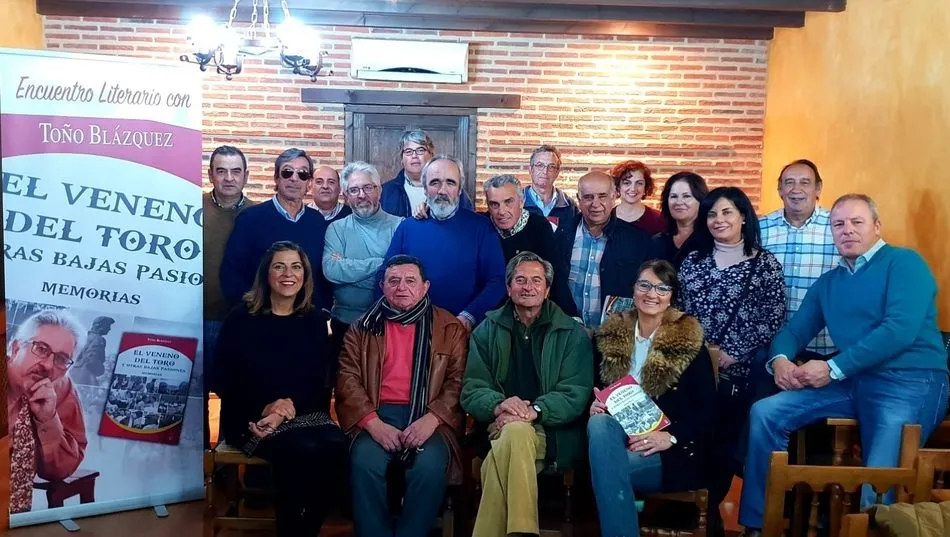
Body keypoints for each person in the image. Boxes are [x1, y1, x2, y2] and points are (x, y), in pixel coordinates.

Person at [736, 194, 950, 537]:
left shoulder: (905, 263)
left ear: (877, 227)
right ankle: (759, 525)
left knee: (879, 478)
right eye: (838, 224)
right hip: (853, 379)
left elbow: (899, 330)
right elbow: (793, 331)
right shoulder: (829, 282)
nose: (846, 230)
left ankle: (870, 530)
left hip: (911, 381)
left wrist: (833, 368)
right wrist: (780, 361)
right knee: (765, 412)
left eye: (857, 222)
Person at [215, 241, 347, 536]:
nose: (289, 274)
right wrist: (267, 409)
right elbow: (223, 378)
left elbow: (317, 382)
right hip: (250, 415)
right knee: (302, 449)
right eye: (280, 266)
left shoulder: (316, 321)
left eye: (296, 267)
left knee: (337, 447)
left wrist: (285, 409)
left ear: (305, 275)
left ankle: (305, 529)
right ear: (266, 274)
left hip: (305, 411)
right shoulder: (241, 318)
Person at [677, 186, 786, 531]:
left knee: (726, 446)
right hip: (693, 371)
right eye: (711, 214)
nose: (718, 220)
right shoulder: (693, 261)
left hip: (739, 376)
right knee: (694, 439)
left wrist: (733, 353)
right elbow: (677, 313)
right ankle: (694, 511)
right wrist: (697, 353)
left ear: (743, 217)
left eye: (727, 212)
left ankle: (711, 514)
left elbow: (774, 317)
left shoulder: (764, 264)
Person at [461, 252, 593, 537]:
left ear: (547, 290)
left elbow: (576, 393)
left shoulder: (571, 333)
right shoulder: (486, 331)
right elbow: (472, 388)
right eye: (520, 280)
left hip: (554, 432)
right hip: (500, 425)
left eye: (536, 280)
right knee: (515, 434)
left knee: (512, 439)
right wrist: (499, 405)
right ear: (509, 288)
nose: (528, 287)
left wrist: (534, 411)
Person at [336, 255, 468, 537]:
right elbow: (347, 380)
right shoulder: (361, 328)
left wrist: (432, 419)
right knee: (364, 462)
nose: (401, 287)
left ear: (425, 287)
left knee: (429, 467)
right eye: (393, 281)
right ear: (382, 286)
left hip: (430, 416)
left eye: (410, 281)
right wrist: (373, 423)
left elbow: (458, 382)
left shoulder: (449, 328)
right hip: (376, 414)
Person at [589, 259, 717, 537]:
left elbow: (708, 411)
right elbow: (595, 387)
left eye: (662, 288)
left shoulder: (689, 342)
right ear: (633, 290)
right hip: (614, 439)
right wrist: (595, 404)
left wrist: (669, 438)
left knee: (607, 469)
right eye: (644, 285)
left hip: (668, 450)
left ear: (672, 297)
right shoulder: (608, 335)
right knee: (598, 426)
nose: (652, 294)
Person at [381, 155, 506, 331]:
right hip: (412, 329)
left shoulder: (481, 227)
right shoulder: (408, 227)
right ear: (424, 188)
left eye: (450, 183)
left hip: (465, 331)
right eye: (435, 182)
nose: (442, 190)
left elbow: (497, 280)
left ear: (460, 189)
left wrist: (468, 316)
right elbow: (385, 275)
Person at [219, 148, 331, 312]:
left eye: (302, 174)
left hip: (305, 321)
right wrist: (251, 311)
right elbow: (231, 274)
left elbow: (320, 276)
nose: (294, 178)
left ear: (309, 183)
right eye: (287, 172)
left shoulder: (317, 221)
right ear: (276, 178)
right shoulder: (250, 219)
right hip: (260, 319)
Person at [323, 161, 403, 376]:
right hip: (345, 325)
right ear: (346, 195)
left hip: (390, 325)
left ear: (379, 190)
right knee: (345, 393)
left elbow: (399, 277)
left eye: (368, 187)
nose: (361, 195)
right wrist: (381, 263)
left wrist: (349, 269)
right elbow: (332, 271)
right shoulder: (337, 229)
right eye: (354, 190)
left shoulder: (400, 226)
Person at [7, 309, 88, 514]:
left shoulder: (61, 388)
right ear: (16, 348)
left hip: (17, 518)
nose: (48, 365)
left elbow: (60, 470)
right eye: (41, 348)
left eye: (61, 359)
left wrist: (48, 420)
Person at [553, 170, 654, 330]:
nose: (595, 204)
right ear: (578, 199)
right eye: (588, 197)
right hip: (567, 333)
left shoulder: (637, 240)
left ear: (614, 196)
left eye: (602, 196)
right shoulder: (561, 236)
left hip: (613, 339)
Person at [759, 159, 838, 359]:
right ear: (779, 189)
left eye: (805, 182)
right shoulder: (761, 228)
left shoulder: (837, 227)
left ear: (818, 189)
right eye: (789, 182)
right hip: (773, 346)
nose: (796, 189)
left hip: (825, 345)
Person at [482, 173, 577, 316]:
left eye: (508, 202)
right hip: (488, 314)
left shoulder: (538, 226)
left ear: (521, 201)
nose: (501, 211)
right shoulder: (482, 225)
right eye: (494, 204)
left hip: (530, 314)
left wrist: (572, 317)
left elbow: (555, 276)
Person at [203, 145, 256, 393]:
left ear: (246, 175)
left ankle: (228, 435)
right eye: (221, 171)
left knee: (235, 392)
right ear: (210, 175)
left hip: (240, 319)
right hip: (196, 319)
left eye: (236, 171)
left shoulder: (258, 215)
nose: (229, 178)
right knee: (194, 391)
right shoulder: (189, 208)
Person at [381, 129, 473, 218]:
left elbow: (466, 222)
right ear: (401, 158)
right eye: (408, 151)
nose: (414, 156)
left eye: (420, 150)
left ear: (431, 155)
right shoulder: (385, 192)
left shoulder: (452, 191)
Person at [652, 171, 709, 269]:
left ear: (701, 200)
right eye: (674, 196)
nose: (679, 202)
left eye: (686, 196)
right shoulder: (657, 242)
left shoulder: (711, 239)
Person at [522, 144, 579, 230]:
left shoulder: (569, 206)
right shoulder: (516, 202)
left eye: (551, 167)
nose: (545, 171)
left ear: (557, 172)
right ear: (530, 170)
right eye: (540, 165)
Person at [609, 160, 667, 235]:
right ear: (618, 186)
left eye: (639, 183)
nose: (633, 188)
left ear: (646, 187)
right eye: (627, 183)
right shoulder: (606, 219)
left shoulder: (659, 219)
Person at [70, 315, 115, 386]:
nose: (109, 329)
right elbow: (91, 360)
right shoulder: (98, 339)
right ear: (101, 326)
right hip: (86, 376)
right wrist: (100, 370)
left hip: (73, 373)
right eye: (108, 326)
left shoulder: (85, 337)